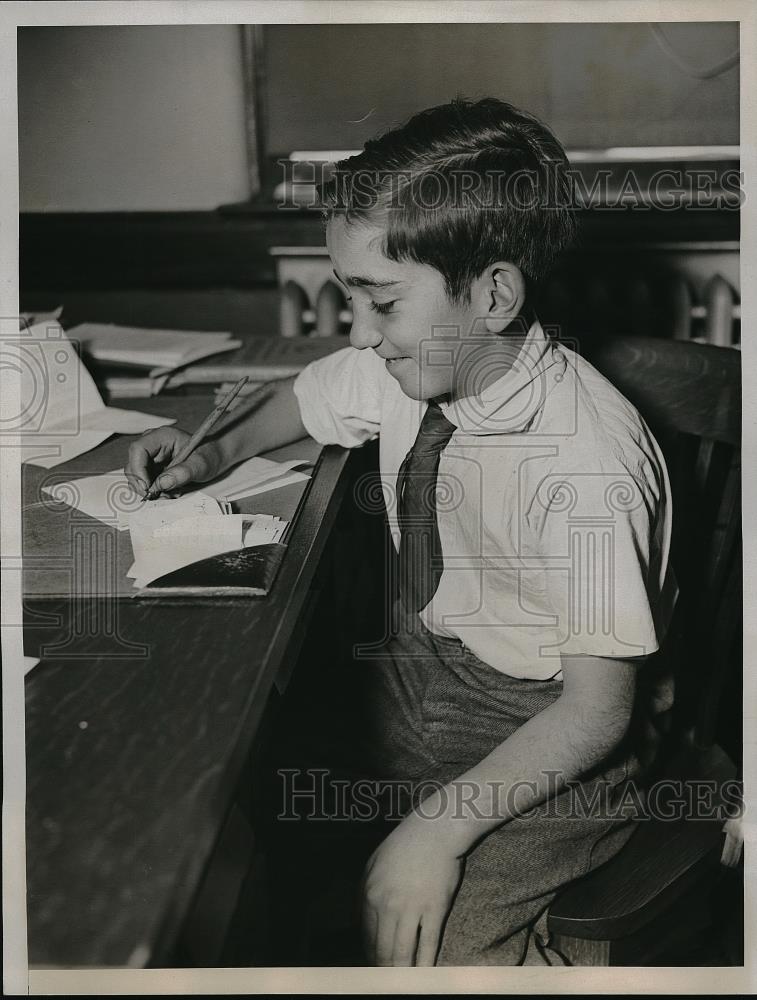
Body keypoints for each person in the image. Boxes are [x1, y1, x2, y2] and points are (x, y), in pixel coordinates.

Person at [125, 98, 677, 966]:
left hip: (545, 743)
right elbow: (309, 395)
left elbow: (597, 710)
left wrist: (431, 836)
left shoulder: (582, 466)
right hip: (420, 685)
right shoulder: (421, 360)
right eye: (351, 298)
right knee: (213, 796)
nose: (358, 334)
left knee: (430, 941)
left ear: (493, 293)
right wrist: (209, 453)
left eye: (379, 301)